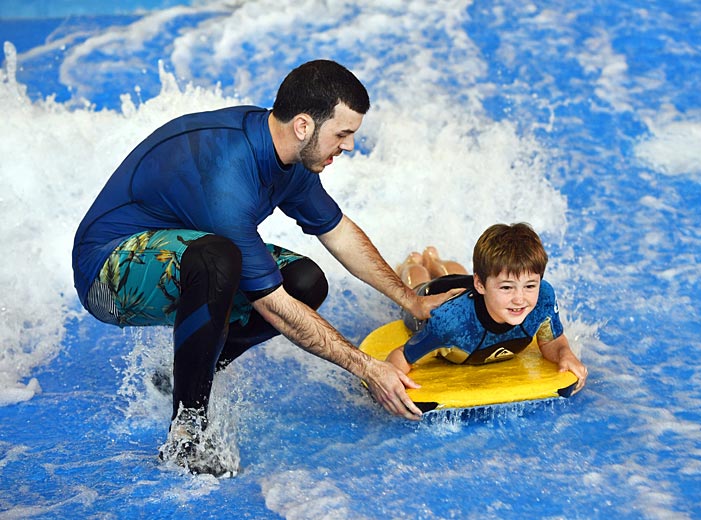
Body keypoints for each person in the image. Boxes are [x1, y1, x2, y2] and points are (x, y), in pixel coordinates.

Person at [71, 59, 459, 476]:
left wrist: (411, 300)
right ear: (304, 126)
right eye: (343, 134)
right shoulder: (227, 172)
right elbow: (273, 306)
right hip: (107, 272)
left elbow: (340, 233)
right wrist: (368, 367)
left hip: (184, 253)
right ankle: (187, 434)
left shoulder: (290, 158)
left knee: (304, 281)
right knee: (220, 259)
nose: (348, 146)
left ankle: (180, 373)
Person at [386, 223, 588, 394]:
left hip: (472, 288)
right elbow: (402, 355)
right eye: (507, 287)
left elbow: (552, 341)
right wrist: (393, 383)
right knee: (417, 277)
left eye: (529, 286)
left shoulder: (542, 298)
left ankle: (434, 260)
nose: (520, 299)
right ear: (480, 284)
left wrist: (565, 354)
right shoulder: (452, 324)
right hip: (433, 295)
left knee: (458, 273)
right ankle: (411, 262)